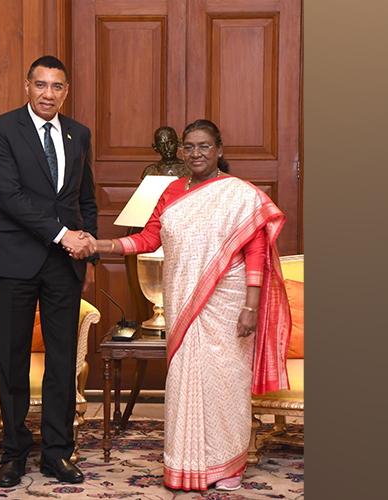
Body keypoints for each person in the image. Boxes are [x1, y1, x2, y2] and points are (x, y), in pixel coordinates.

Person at [92, 119, 292, 492]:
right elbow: (149, 238)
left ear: (219, 149)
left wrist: (251, 305)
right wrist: (103, 246)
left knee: (226, 383)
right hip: (184, 298)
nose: (195, 153)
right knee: (185, 379)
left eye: (203, 146)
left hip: (228, 300)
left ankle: (227, 466)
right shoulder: (170, 190)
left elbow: (255, 249)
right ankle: (186, 465)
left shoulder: (239, 193)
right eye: (189, 146)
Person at [0, 55, 98, 488]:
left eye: (57, 87)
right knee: (12, 361)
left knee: (62, 360)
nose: (49, 94)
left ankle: (56, 452)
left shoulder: (78, 133)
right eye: (41, 85)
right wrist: (64, 234)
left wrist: (86, 248)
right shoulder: (0, 129)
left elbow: (85, 199)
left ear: (66, 91)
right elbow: (10, 196)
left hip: (63, 267)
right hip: (15, 261)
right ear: (26, 87)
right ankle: (14, 451)